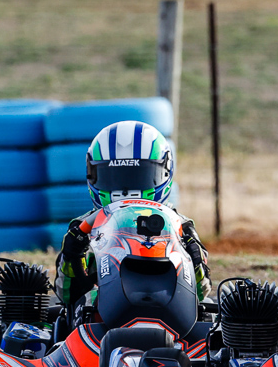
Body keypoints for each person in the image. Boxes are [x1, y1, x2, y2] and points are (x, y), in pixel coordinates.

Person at [55, 120, 211, 311]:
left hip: (171, 310)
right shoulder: (82, 228)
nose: (126, 189)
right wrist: (73, 252)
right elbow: (66, 294)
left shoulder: (181, 226)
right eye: (115, 177)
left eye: (139, 176)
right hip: (100, 316)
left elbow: (202, 291)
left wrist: (193, 257)